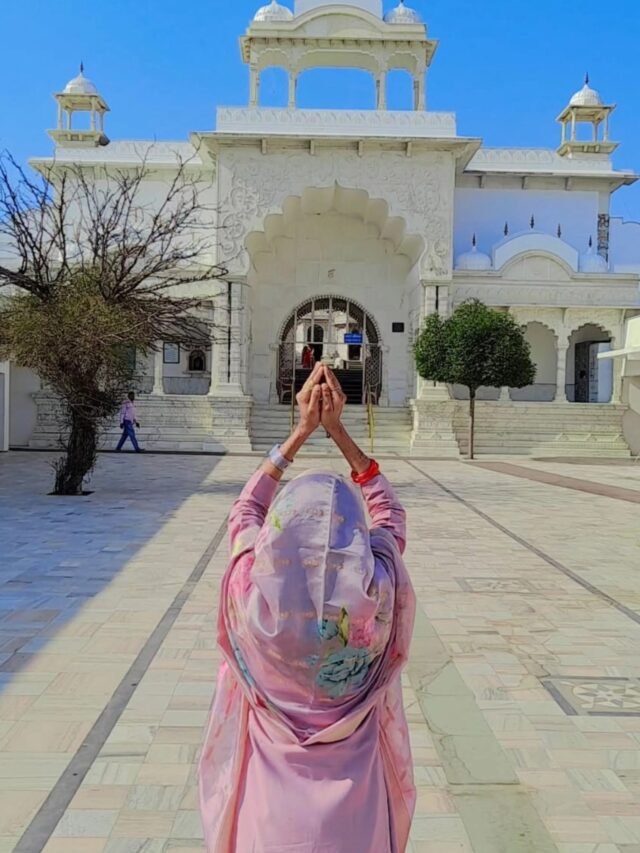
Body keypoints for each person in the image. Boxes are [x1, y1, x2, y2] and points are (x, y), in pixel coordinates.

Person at [199, 363, 416, 853]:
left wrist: (300, 433)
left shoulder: (250, 599)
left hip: (270, 812)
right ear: (354, 540)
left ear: (279, 534)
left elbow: (244, 512)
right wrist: (339, 431)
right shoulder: (376, 602)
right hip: (355, 810)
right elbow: (390, 513)